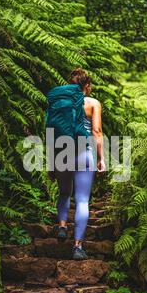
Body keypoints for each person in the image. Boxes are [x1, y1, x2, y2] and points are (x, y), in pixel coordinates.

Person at [54, 68, 105, 260]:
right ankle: (77, 247)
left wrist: (52, 162)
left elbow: (52, 130)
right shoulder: (92, 103)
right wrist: (101, 158)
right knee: (82, 199)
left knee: (64, 192)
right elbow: (97, 131)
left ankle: (61, 225)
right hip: (84, 151)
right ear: (87, 86)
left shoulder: (60, 103)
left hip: (61, 150)